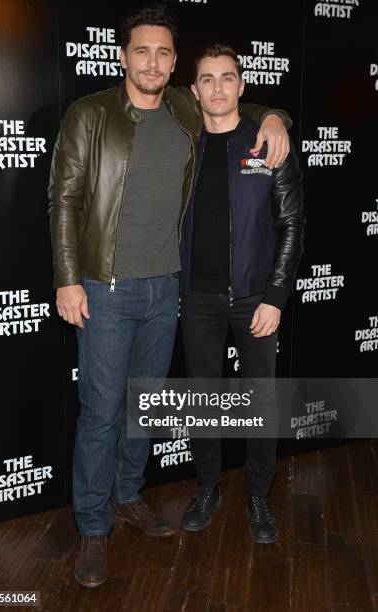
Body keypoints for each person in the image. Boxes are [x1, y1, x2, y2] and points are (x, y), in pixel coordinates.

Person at [48, 3, 291, 589]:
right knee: (101, 414)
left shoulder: (184, 107)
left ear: (173, 63)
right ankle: (92, 527)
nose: (152, 61)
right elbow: (64, 198)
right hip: (104, 288)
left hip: (165, 290)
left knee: (140, 408)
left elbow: (235, 107)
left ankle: (129, 497)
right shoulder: (90, 113)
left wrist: (278, 116)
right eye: (141, 51)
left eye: (163, 52)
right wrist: (66, 276)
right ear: (123, 56)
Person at [179, 44, 305, 543]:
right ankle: (208, 487)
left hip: (256, 298)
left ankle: (258, 496)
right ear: (194, 90)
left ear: (241, 85)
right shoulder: (182, 142)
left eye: (227, 78)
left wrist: (275, 295)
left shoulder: (267, 143)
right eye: (206, 79)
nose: (217, 88)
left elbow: (292, 224)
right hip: (196, 299)